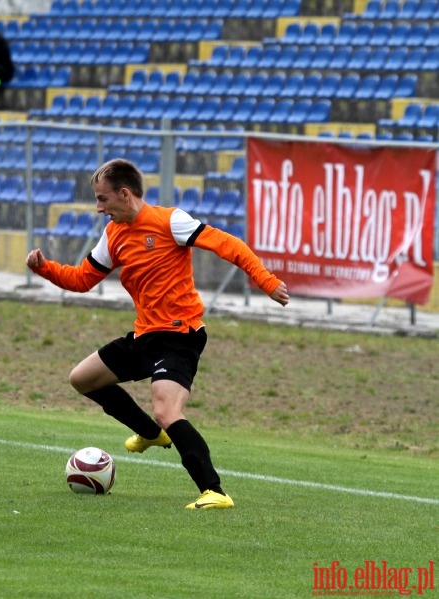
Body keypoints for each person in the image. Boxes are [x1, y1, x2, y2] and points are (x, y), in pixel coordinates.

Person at [26, 159, 290, 510]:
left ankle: (214, 491)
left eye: (103, 199)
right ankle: (151, 434)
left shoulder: (170, 221)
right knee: (83, 379)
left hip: (180, 334)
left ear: (124, 193)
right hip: (145, 335)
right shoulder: (114, 234)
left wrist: (267, 282)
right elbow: (82, 280)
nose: (98, 207)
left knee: (167, 409)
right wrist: (44, 268)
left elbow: (231, 246)